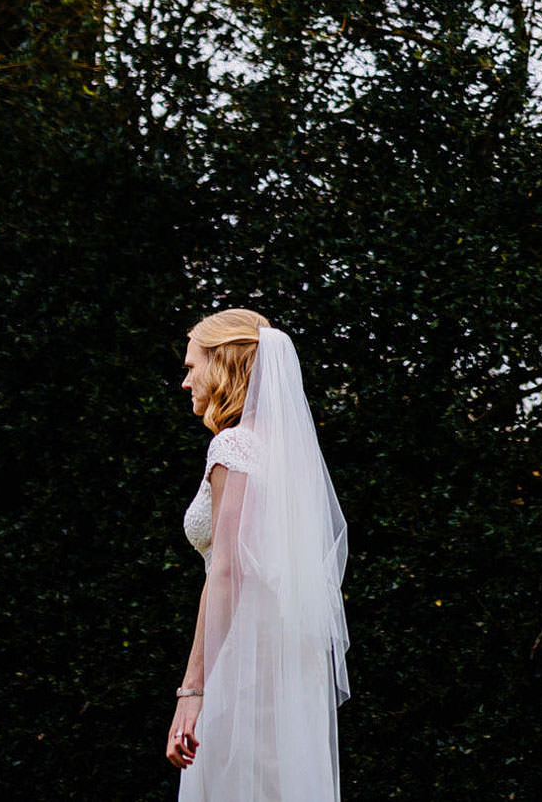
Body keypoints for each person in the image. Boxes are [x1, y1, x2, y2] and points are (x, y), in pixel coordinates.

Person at [166, 309, 350, 801]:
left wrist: (193, 691)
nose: (186, 381)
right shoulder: (285, 455)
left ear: (223, 365)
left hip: (242, 657)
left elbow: (227, 570)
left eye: (192, 367)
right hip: (284, 659)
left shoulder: (235, 446)